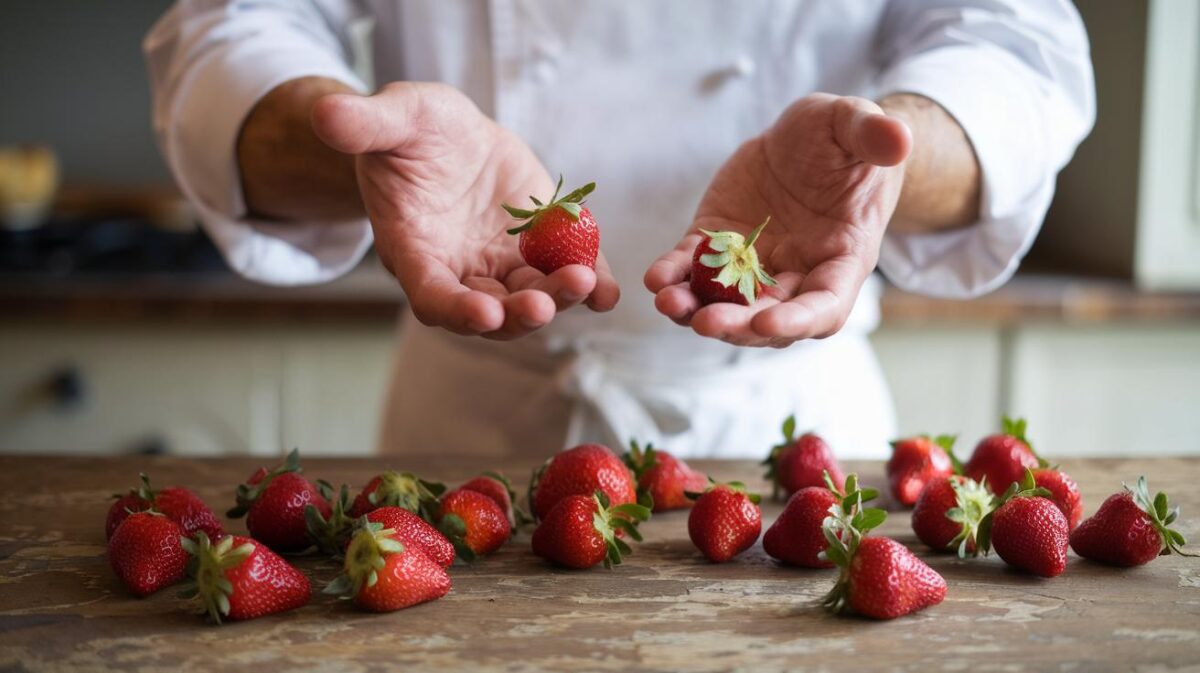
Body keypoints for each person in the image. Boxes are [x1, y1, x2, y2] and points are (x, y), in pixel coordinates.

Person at [144, 1, 1094, 461]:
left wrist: (887, 156)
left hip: (785, 426)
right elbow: (230, 29)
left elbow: (1016, 50)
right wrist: (374, 150)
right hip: (473, 420)